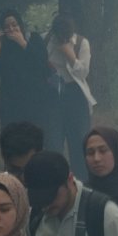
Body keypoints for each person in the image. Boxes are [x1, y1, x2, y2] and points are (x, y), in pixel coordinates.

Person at [0, 9, 54, 136]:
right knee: (13, 140)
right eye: (7, 26)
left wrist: (22, 43)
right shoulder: (4, 45)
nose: (11, 29)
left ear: (20, 24)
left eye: (14, 24)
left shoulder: (33, 38)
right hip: (11, 103)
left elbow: (41, 63)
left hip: (35, 101)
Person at [45, 13, 96, 181]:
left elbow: (83, 72)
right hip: (52, 96)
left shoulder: (81, 42)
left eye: (65, 36)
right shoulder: (46, 40)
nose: (62, 38)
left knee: (79, 142)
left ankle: (82, 184)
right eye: (59, 35)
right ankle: (56, 181)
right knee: (53, 142)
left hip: (75, 95)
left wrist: (70, 54)